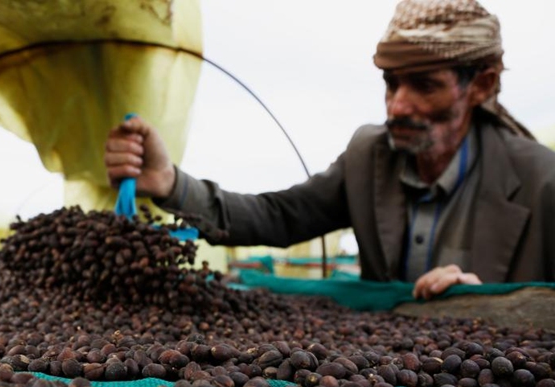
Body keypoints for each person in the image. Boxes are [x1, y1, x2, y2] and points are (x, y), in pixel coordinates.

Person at [104, 0, 555, 300]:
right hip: (384, 379)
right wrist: (170, 184)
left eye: (423, 85)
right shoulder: (369, 156)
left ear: (482, 85)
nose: (397, 105)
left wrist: (492, 303)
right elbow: (281, 215)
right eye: (391, 83)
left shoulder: (541, 184)